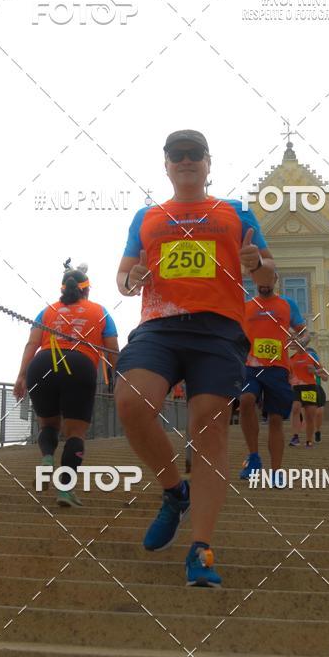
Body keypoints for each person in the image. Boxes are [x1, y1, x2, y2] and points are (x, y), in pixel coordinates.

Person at [114, 129, 275, 587]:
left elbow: (269, 275)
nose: (186, 160)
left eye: (194, 154)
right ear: (166, 165)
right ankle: (174, 491)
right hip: (159, 326)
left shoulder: (235, 212)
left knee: (207, 423)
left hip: (219, 329)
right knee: (131, 401)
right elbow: (123, 279)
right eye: (177, 154)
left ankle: (200, 549)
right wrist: (133, 278)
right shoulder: (147, 216)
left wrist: (255, 264)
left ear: (208, 163)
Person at [13, 263, 119, 507]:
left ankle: (47, 459)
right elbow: (112, 349)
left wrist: (21, 376)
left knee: (48, 424)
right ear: (87, 290)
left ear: (62, 290)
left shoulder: (47, 311)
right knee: (75, 433)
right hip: (79, 365)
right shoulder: (100, 311)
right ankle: (65, 489)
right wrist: (118, 378)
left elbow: (31, 344)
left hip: (42, 363)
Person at [239, 274, 307, 488]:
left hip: (278, 369)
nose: (264, 282)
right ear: (255, 280)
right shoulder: (246, 306)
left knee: (276, 420)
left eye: (269, 278)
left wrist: (302, 341)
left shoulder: (287, 304)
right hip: (251, 366)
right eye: (261, 278)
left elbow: (304, 332)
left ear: (275, 279)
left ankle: (276, 471)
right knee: (246, 400)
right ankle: (254, 457)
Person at [287, 344, 327, 448]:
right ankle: (295, 437)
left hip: (311, 387)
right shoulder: (291, 358)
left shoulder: (312, 357)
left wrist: (315, 372)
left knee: (310, 415)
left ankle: (310, 440)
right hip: (297, 387)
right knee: (295, 408)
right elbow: (289, 375)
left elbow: (325, 375)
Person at [306, 342, 328, 443]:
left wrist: (318, 374)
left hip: (317, 388)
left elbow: (325, 378)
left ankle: (317, 431)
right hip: (306, 389)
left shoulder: (319, 367)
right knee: (309, 414)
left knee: (319, 412)